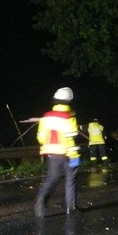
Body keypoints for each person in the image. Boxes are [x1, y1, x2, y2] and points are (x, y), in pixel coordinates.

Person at [34, 87, 80, 218]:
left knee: (52, 178)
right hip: (67, 153)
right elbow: (71, 136)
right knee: (70, 179)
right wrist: (74, 156)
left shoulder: (45, 117)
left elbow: (41, 137)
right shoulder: (70, 117)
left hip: (51, 153)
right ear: (69, 101)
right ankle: (71, 208)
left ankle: (41, 201)